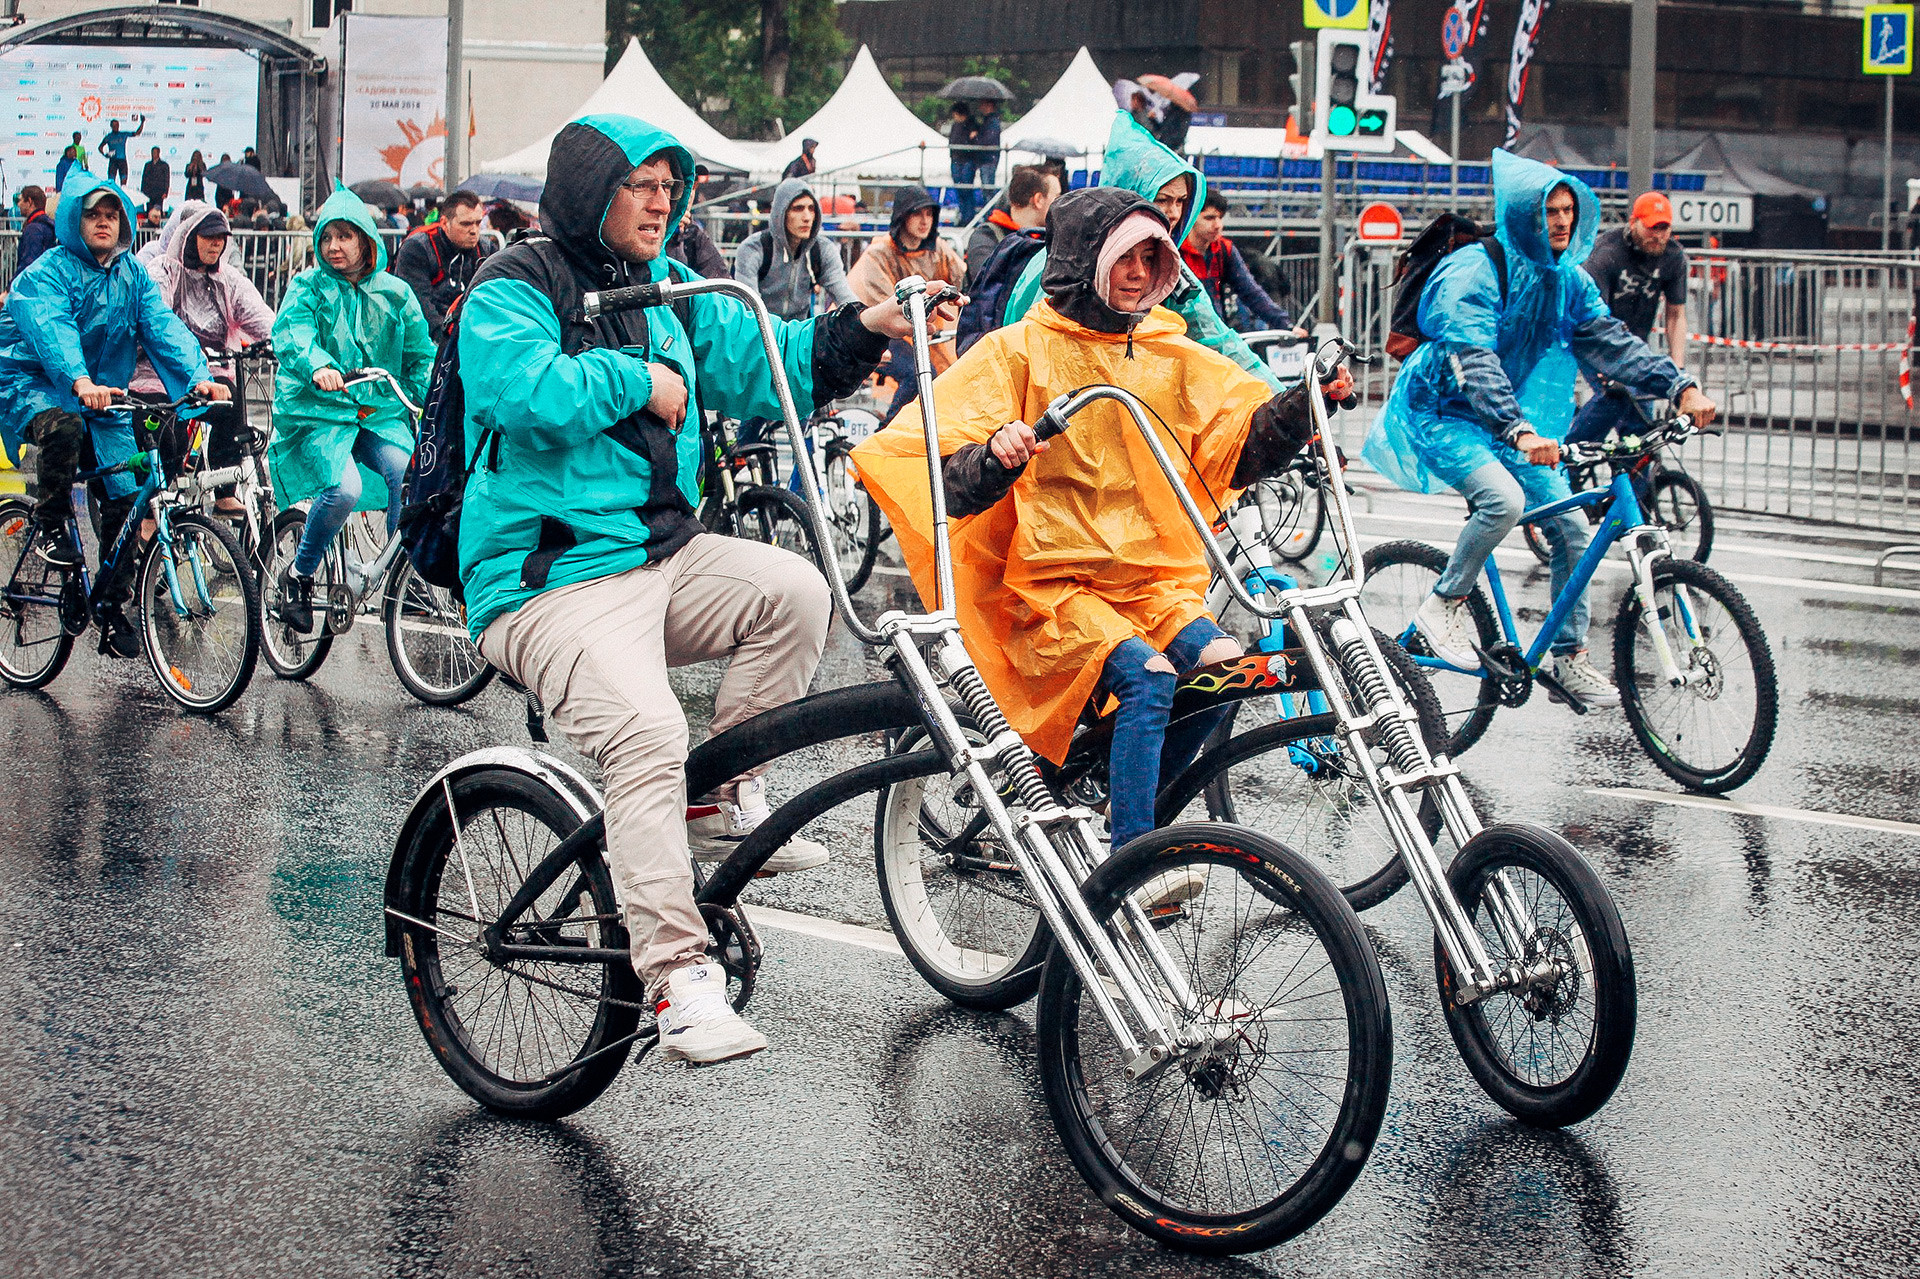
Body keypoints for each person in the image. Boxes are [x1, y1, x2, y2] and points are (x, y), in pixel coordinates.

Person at [454, 114, 939, 1063]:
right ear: (591, 187)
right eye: (640, 182)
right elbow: (520, 394)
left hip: (661, 559)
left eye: (671, 184)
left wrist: (865, 330)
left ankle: (711, 803)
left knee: (793, 593)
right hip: (545, 582)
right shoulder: (513, 284)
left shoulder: (673, 287)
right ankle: (676, 979)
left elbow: (773, 362)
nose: (662, 198)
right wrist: (634, 380)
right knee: (646, 733)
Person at [853, 187, 1346, 859]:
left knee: (1233, 670)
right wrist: (993, 460)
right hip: (1050, 589)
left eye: (1153, 256)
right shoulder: (1016, 351)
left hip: (1149, 585)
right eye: (1126, 257)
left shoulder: (1172, 353)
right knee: (1149, 678)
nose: (1141, 273)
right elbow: (935, 465)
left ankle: (1120, 805)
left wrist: (1306, 406)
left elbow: (1240, 440)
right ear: (1086, 261)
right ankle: (1133, 861)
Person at [1362, 150, 1718, 708]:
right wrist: (1518, 431)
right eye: (1549, 210)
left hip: (1504, 422)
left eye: (1568, 211)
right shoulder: (1474, 270)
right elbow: (1472, 358)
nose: (1560, 222)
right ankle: (1443, 605)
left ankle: (1569, 657)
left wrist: (1679, 386)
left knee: (1574, 529)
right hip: (1440, 410)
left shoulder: (1566, 280)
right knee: (1501, 502)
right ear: (1524, 214)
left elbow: (1610, 340)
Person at [0, 174, 226, 657]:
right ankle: (53, 523)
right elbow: (51, 329)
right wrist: (78, 382)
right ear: (72, 221)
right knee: (62, 426)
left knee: (128, 495)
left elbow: (162, 326)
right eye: (92, 215)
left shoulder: (131, 274)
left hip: (103, 394)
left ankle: (110, 604)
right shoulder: (48, 271)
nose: (103, 223)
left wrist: (196, 377)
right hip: (37, 381)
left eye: (111, 215)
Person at [1002, 112, 1285, 393]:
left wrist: (1287, 403)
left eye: (1182, 201)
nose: (1174, 213)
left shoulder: (1174, 274)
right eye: (1162, 200)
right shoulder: (1065, 263)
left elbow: (1219, 341)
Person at [268, 185, 434, 634]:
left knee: (411, 475)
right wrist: (319, 365)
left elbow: (422, 355)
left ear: (366, 240)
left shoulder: (396, 293)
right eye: (326, 238)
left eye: (344, 236)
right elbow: (294, 334)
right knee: (344, 490)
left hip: (378, 412)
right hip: (319, 412)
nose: (333, 247)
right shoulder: (307, 287)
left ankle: (411, 573)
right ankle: (300, 575)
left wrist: (426, 395)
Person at [130, 202, 274, 516]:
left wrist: (283, 345)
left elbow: (263, 318)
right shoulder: (162, 271)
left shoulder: (230, 280)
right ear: (189, 236)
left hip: (209, 377)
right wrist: (193, 371)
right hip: (156, 374)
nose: (215, 244)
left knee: (232, 405)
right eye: (208, 237)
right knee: (169, 436)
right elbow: (158, 327)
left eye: (221, 238)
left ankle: (224, 493)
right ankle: (150, 513)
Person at [1568, 190, 1691, 446]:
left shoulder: (1674, 256)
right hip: (1597, 338)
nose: (1658, 236)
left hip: (1635, 343)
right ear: (1633, 222)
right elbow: (1593, 315)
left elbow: (1675, 314)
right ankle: (1573, 455)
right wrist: (1605, 365)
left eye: (1664, 228)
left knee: (1642, 423)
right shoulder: (1607, 252)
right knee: (1617, 394)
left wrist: (1678, 369)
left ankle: (1635, 475)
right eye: (1650, 228)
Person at [848, 185, 966, 422]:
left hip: (920, 332)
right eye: (917, 214)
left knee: (951, 377)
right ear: (903, 216)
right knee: (919, 373)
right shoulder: (878, 253)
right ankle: (888, 434)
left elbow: (962, 278)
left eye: (929, 214)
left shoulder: (938, 249)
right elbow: (886, 305)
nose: (925, 221)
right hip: (876, 330)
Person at [733, 177, 856, 320]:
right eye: (798, 209)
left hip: (799, 335)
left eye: (812, 209)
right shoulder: (753, 248)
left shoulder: (822, 249)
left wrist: (866, 321)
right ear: (781, 213)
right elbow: (750, 308)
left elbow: (845, 297)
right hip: (759, 332)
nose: (807, 217)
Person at [1181, 188, 1292, 332]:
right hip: (1183, 332)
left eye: (1220, 218)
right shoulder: (1175, 250)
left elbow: (1251, 291)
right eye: (1209, 218)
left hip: (1215, 332)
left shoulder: (1224, 249)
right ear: (1191, 217)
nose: (1218, 225)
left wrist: (1286, 325)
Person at [392, 189, 488, 343]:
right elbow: (419, 305)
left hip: (469, 331)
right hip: (423, 335)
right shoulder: (418, 247)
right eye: (466, 224)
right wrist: (447, 342)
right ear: (444, 223)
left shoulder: (485, 249)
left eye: (478, 223)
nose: (474, 231)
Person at [965, 164, 1059, 286]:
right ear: (1039, 199)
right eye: (1057, 197)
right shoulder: (986, 237)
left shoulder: (1053, 238)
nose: (1061, 203)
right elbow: (987, 285)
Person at [663, 164, 726, 279]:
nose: (689, 193)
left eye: (693, 185)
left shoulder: (694, 234)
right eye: (679, 185)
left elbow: (721, 282)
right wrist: (669, 231)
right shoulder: (645, 232)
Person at [950, 100, 1001, 225]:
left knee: (980, 190)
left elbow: (987, 140)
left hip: (977, 160)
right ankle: (968, 216)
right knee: (963, 189)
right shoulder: (984, 122)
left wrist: (975, 139)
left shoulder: (988, 123)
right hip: (961, 159)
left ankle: (978, 217)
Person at [98, 116, 145, 187]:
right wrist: (105, 154)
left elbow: (137, 133)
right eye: (114, 125)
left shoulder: (123, 134)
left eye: (117, 125)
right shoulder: (108, 137)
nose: (115, 127)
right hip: (113, 161)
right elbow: (100, 147)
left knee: (123, 184)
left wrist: (142, 122)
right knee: (111, 182)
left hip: (122, 160)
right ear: (111, 126)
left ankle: (122, 196)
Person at [15, 186, 54, 272]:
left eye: (21, 200)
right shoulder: (48, 225)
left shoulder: (33, 229)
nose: (18, 204)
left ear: (29, 202)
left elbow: (28, 265)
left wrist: (13, 284)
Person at [140, 146, 170, 213]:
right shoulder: (147, 165)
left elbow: (166, 180)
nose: (153, 154)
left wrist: (165, 192)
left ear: (159, 153)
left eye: (155, 152)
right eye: (152, 152)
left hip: (159, 193)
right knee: (149, 211)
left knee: (157, 211)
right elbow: (144, 179)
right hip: (149, 193)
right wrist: (143, 191)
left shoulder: (164, 165)